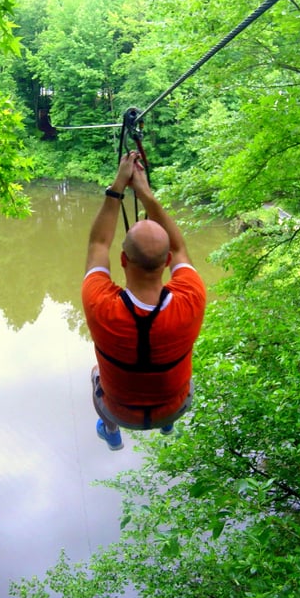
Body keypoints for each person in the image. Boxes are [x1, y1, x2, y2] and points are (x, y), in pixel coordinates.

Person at [82, 151, 207, 451]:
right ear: (166, 262)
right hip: (175, 406)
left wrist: (118, 188)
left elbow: (98, 243)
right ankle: (166, 424)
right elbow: (180, 248)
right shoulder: (191, 298)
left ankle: (111, 431)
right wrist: (145, 193)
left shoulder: (101, 305)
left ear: (123, 259)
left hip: (121, 412)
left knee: (95, 373)